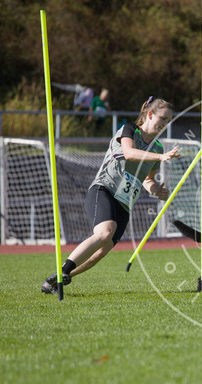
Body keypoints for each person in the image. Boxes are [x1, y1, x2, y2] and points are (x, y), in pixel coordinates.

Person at [42, 97, 180, 294]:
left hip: (124, 203)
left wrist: (156, 190)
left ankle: (57, 280)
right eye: (163, 118)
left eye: (169, 120)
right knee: (105, 232)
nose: (165, 124)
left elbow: (147, 179)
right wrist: (160, 157)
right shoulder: (129, 130)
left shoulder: (158, 148)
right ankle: (63, 270)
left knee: (100, 252)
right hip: (104, 189)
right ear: (150, 114)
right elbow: (129, 153)